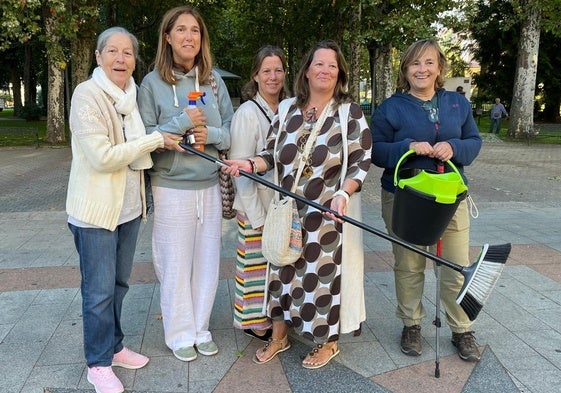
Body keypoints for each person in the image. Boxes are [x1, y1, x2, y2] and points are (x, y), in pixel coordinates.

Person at [222, 40, 372, 369]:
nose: (325, 70)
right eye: (319, 64)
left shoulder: (349, 113)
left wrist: (343, 193)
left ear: (340, 73)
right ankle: (280, 335)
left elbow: (362, 160)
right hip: (288, 211)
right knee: (283, 271)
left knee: (321, 279)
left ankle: (327, 342)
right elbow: (271, 154)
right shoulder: (288, 108)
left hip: (327, 214)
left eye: (332, 66)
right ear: (306, 71)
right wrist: (248, 164)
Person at [66, 26, 184, 393]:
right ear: (98, 57)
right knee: (98, 291)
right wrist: (155, 139)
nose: (121, 58)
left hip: (130, 209)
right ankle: (97, 363)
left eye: (128, 53)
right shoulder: (87, 96)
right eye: (113, 51)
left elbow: (137, 149)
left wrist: (161, 142)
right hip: (96, 213)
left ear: (135, 60)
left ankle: (114, 347)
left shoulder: (130, 97)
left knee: (118, 285)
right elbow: (102, 158)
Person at [370, 38, 483, 362]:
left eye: (429, 62)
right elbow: (374, 150)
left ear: (439, 68)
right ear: (405, 70)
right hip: (405, 198)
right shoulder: (391, 107)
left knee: (456, 266)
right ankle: (412, 324)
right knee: (409, 265)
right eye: (415, 63)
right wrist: (406, 145)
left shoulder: (457, 104)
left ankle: (462, 329)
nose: (422, 69)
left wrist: (455, 148)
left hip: (451, 197)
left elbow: (474, 141)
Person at [137, 5, 233, 362]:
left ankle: (201, 328)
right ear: (167, 37)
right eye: (181, 30)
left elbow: (230, 130)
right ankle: (179, 334)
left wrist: (212, 134)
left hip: (208, 183)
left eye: (195, 30)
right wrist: (180, 122)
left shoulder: (212, 81)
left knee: (207, 261)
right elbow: (143, 135)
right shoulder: (150, 84)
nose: (189, 36)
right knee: (175, 262)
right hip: (171, 184)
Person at [229, 45, 289, 341]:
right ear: (255, 75)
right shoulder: (247, 113)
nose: (273, 76)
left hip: (281, 206)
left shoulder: (290, 109)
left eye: (278, 69)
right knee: (253, 265)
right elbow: (240, 170)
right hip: (256, 205)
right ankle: (254, 321)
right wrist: (257, 216)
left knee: (275, 265)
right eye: (266, 70)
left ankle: (274, 313)